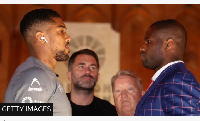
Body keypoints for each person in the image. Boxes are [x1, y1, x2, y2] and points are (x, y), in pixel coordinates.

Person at [4, 8, 72, 116]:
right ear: (41, 37)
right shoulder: (36, 76)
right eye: (61, 31)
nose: (68, 37)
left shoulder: (41, 74)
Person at [135, 19, 200, 116]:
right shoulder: (166, 80)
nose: (142, 48)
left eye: (148, 41)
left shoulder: (177, 81)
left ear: (168, 45)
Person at [66, 48, 118, 116]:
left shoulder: (109, 111)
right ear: (69, 75)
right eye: (81, 67)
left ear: (98, 77)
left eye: (92, 68)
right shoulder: (52, 106)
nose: (88, 71)